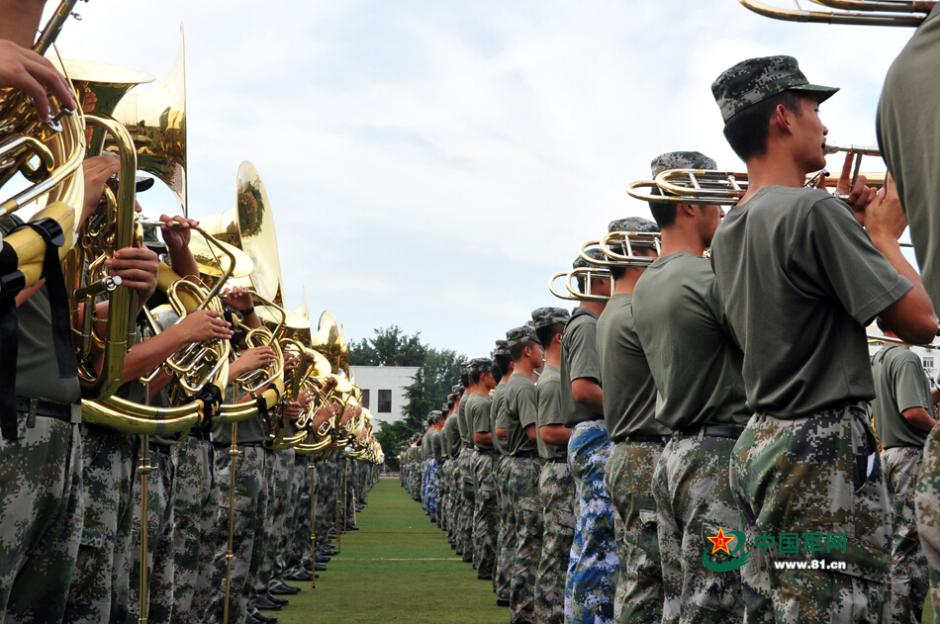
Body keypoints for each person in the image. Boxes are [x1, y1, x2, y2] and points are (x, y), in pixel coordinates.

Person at [709, 55, 937, 623]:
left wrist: (855, 230)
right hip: (820, 449)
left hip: (762, 442)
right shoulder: (813, 210)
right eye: (814, 109)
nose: (825, 125)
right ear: (783, 117)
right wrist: (883, 237)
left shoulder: (733, 225)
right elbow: (919, 322)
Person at [633, 152, 752, 623]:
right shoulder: (704, 277)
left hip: (677, 454)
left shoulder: (648, 282)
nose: (722, 210)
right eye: (715, 201)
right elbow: (764, 341)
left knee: (680, 602)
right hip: (715, 456)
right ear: (688, 204)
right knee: (718, 601)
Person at [594, 216, 667, 624]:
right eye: (653, 248)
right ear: (636, 253)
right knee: (648, 577)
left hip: (631, 452)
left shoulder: (613, 311)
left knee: (637, 573)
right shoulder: (634, 312)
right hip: (644, 453)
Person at [559, 249, 618, 624]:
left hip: (590, 436)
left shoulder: (584, 323)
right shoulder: (586, 324)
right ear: (596, 279)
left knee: (589, 542)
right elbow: (583, 390)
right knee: (598, 546)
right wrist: (630, 406)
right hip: (596, 435)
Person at [871, 319, 938, 624]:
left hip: (890, 455)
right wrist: (937, 428)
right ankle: (900, 616)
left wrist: (933, 397)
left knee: (900, 545)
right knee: (906, 547)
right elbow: (911, 412)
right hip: (910, 458)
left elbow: (906, 402)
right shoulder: (906, 357)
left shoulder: (881, 358)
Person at [497, 325, 545, 624]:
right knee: (530, 541)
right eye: (538, 347)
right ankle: (525, 610)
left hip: (516, 465)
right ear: (527, 350)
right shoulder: (525, 386)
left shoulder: (513, 383)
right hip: (527, 466)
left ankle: (519, 604)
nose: (542, 352)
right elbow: (535, 433)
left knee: (519, 537)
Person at [530, 306, 573, 624]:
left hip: (557, 472)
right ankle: (548, 615)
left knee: (558, 548)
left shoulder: (554, 378)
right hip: (559, 472)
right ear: (560, 337)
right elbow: (549, 431)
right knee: (557, 550)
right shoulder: (552, 381)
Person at [468, 358, 500, 581]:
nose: (494, 377)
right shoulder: (481, 403)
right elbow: (480, 436)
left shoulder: (475, 399)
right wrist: (505, 435)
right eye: (491, 373)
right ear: (483, 376)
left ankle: (481, 559)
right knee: (488, 515)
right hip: (486, 458)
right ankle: (486, 563)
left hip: (481, 458)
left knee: (482, 512)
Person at [491, 338, 516, 607]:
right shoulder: (508, 389)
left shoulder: (502, 389)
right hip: (512, 460)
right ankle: (508, 587)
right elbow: (500, 430)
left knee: (508, 528)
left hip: (505, 460)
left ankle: (503, 583)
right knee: (514, 531)